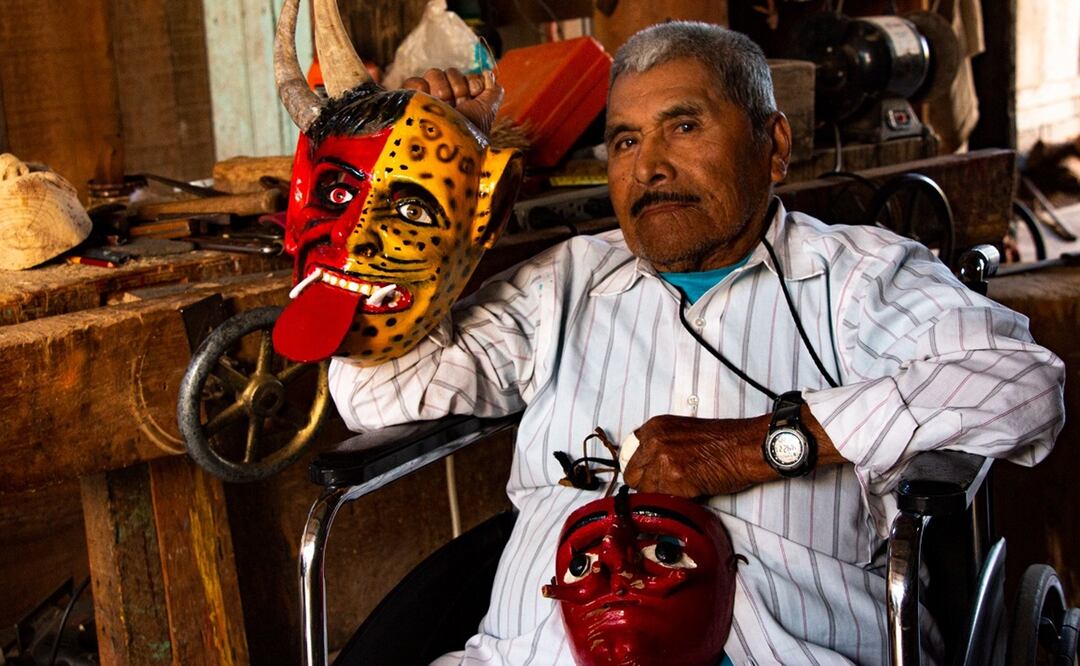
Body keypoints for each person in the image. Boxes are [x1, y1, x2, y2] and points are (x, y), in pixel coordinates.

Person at [329, 22, 1065, 664]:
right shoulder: (567, 283)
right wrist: (434, 179)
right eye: (625, 140)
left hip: (783, 649)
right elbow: (374, 391)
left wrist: (763, 444)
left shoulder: (855, 279)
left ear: (773, 144)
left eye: (684, 127)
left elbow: (1023, 385)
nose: (648, 166)